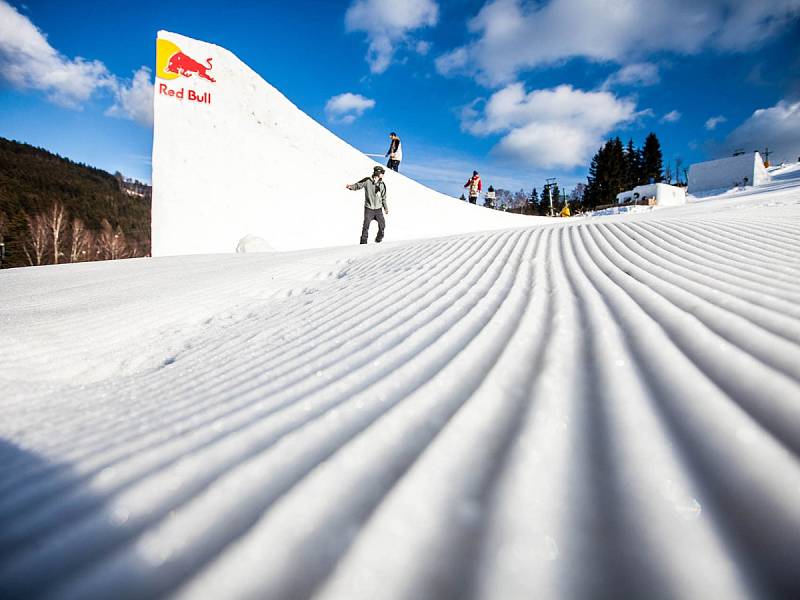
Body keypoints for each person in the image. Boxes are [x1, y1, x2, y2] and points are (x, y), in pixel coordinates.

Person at [346, 165, 388, 244]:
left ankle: (379, 239)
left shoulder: (382, 184)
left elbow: (384, 197)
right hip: (369, 208)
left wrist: (385, 208)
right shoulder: (367, 181)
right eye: (382, 173)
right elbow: (358, 185)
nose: (383, 174)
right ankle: (363, 243)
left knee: (382, 226)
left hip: (378, 209)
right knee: (366, 226)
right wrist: (351, 187)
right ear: (377, 173)